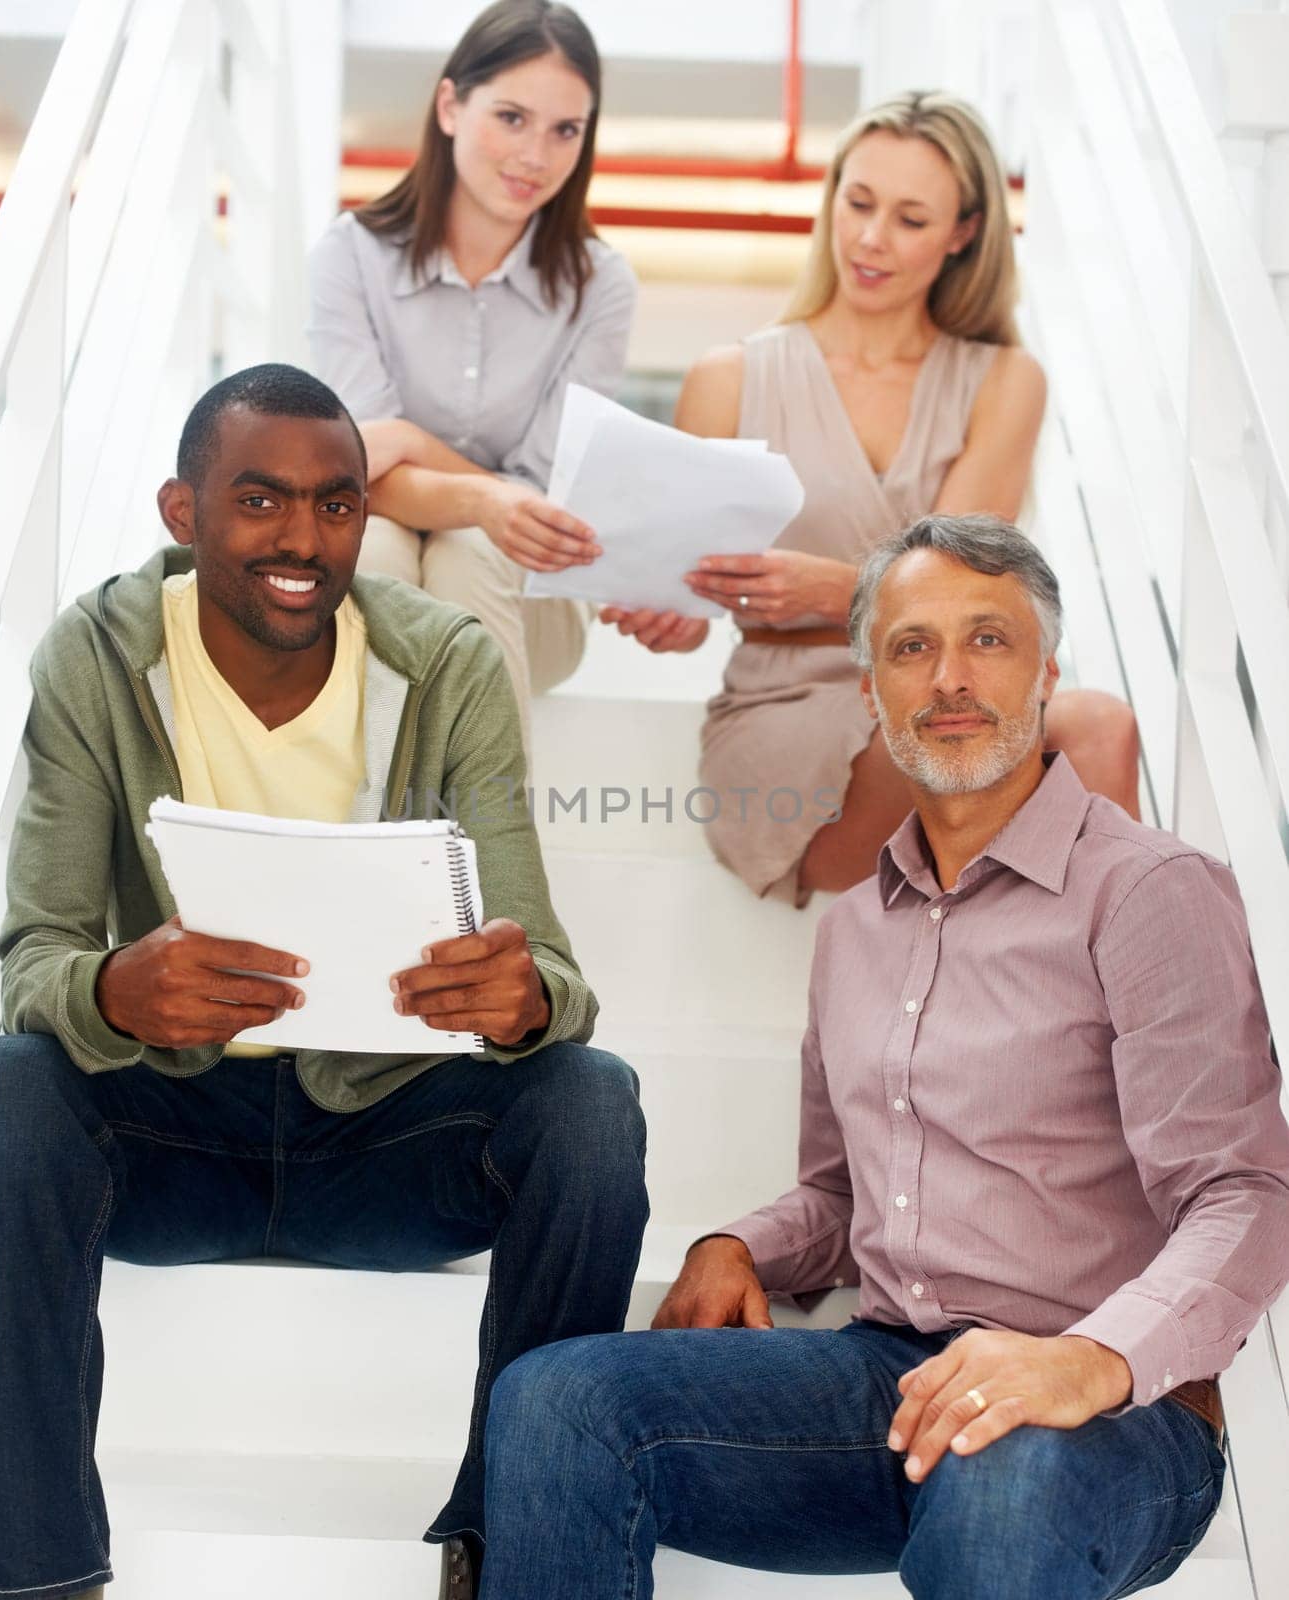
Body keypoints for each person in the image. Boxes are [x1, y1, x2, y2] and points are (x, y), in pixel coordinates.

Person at [480, 514, 1289, 1600]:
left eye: (988, 640)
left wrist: (1083, 1360)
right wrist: (737, 1243)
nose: (949, 677)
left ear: (1046, 671)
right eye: (911, 647)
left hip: (1106, 1418)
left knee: (1001, 1472)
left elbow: (1245, 1192)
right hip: (890, 1382)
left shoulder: (1147, 891)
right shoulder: (855, 926)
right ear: (870, 691)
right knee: (555, 1399)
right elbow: (838, 1193)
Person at [0, 365, 648, 1600]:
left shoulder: (447, 665)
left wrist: (518, 1000)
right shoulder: (96, 655)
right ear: (182, 510)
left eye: (335, 506)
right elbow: (35, 957)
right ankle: (38, 1577)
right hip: (172, 1132)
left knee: (592, 1100)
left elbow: (556, 981)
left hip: (388, 1143)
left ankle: (510, 1545)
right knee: (5, 1088)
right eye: (259, 501)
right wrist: (114, 991)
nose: (302, 540)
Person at [604, 91, 1139, 904]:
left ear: (963, 233)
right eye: (855, 203)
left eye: (909, 219)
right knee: (972, 759)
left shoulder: (1001, 381)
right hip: (791, 715)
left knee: (1097, 725)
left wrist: (832, 588)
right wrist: (671, 613)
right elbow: (691, 611)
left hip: (950, 690)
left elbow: (971, 595)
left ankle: (1127, 1013)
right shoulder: (730, 379)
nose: (869, 238)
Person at [307, 0, 637, 752]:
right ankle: (383, 829)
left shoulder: (602, 286)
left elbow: (539, 510)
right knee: (379, 544)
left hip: (528, 593)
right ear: (450, 105)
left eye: (565, 131)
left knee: (467, 549)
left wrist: (410, 450)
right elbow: (352, 479)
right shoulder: (349, 256)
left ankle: (484, 849)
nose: (536, 155)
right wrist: (484, 496)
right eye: (511, 118)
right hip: (387, 553)